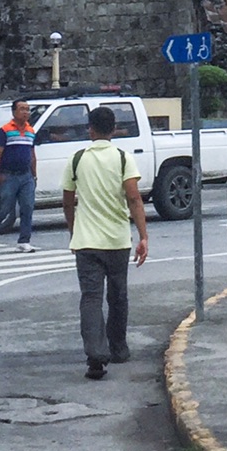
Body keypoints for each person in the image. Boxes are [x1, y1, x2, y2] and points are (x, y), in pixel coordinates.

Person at [61, 104, 149, 379]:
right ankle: (118, 348)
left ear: (90, 129)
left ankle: (96, 356)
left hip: (86, 242)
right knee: (118, 296)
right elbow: (134, 198)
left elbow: (67, 200)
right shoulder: (123, 158)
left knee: (91, 298)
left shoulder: (77, 159)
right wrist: (143, 236)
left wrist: (74, 230)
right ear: (114, 130)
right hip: (117, 240)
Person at [0, 98, 38, 253]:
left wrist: (34, 175)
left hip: (26, 175)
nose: (26, 112)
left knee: (27, 207)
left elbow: (32, 154)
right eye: (22, 109)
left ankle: (24, 240)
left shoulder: (31, 131)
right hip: (8, 175)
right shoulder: (5, 130)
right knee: (4, 208)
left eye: (28, 109)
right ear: (14, 112)